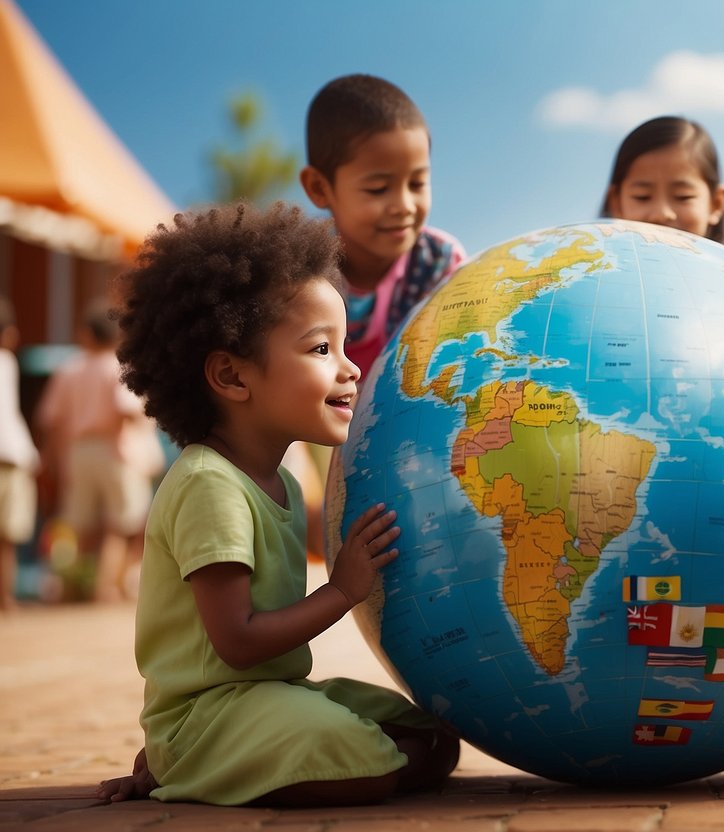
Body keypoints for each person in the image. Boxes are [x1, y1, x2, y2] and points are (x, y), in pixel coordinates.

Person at [96, 203, 459, 807]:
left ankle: (221, 763)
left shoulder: (284, 482)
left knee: (435, 739)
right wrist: (342, 591)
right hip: (209, 713)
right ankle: (178, 761)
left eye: (344, 346)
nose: (352, 367)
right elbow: (236, 642)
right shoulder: (209, 485)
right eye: (321, 350)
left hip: (274, 693)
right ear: (233, 377)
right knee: (368, 762)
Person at [299, 73, 467, 378]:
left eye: (417, 183)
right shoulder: (301, 275)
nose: (404, 205)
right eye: (377, 189)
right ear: (320, 188)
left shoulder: (439, 261)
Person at [35, 304, 157, 602]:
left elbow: (51, 419)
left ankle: (71, 588)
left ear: (85, 334)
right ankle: (105, 588)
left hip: (78, 451)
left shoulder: (69, 368)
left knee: (79, 525)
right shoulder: (119, 366)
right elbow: (126, 409)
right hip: (114, 448)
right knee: (120, 524)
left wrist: (52, 458)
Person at [600, 115, 724, 241]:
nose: (661, 214)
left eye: (683, 196)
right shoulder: (590, 261)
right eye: (642, 197)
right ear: (616, 203)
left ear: (716, 203)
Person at [0, 298, 39, 611]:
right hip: (10, 459)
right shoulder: (7, 362)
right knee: (9, 536)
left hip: (12, 456)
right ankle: (6, 597)